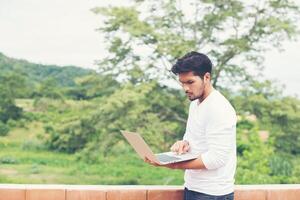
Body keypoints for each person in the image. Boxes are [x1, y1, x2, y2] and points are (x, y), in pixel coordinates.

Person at [145, 51, 237, 200]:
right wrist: (183, 144)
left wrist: (173, 165)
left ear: (206, 77)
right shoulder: (195, 104)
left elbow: (217, 159)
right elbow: (192, 139)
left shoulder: (219, 108)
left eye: (190, 82)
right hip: (193, 188)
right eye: (182, 83)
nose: (185, 88)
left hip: (213, 194)